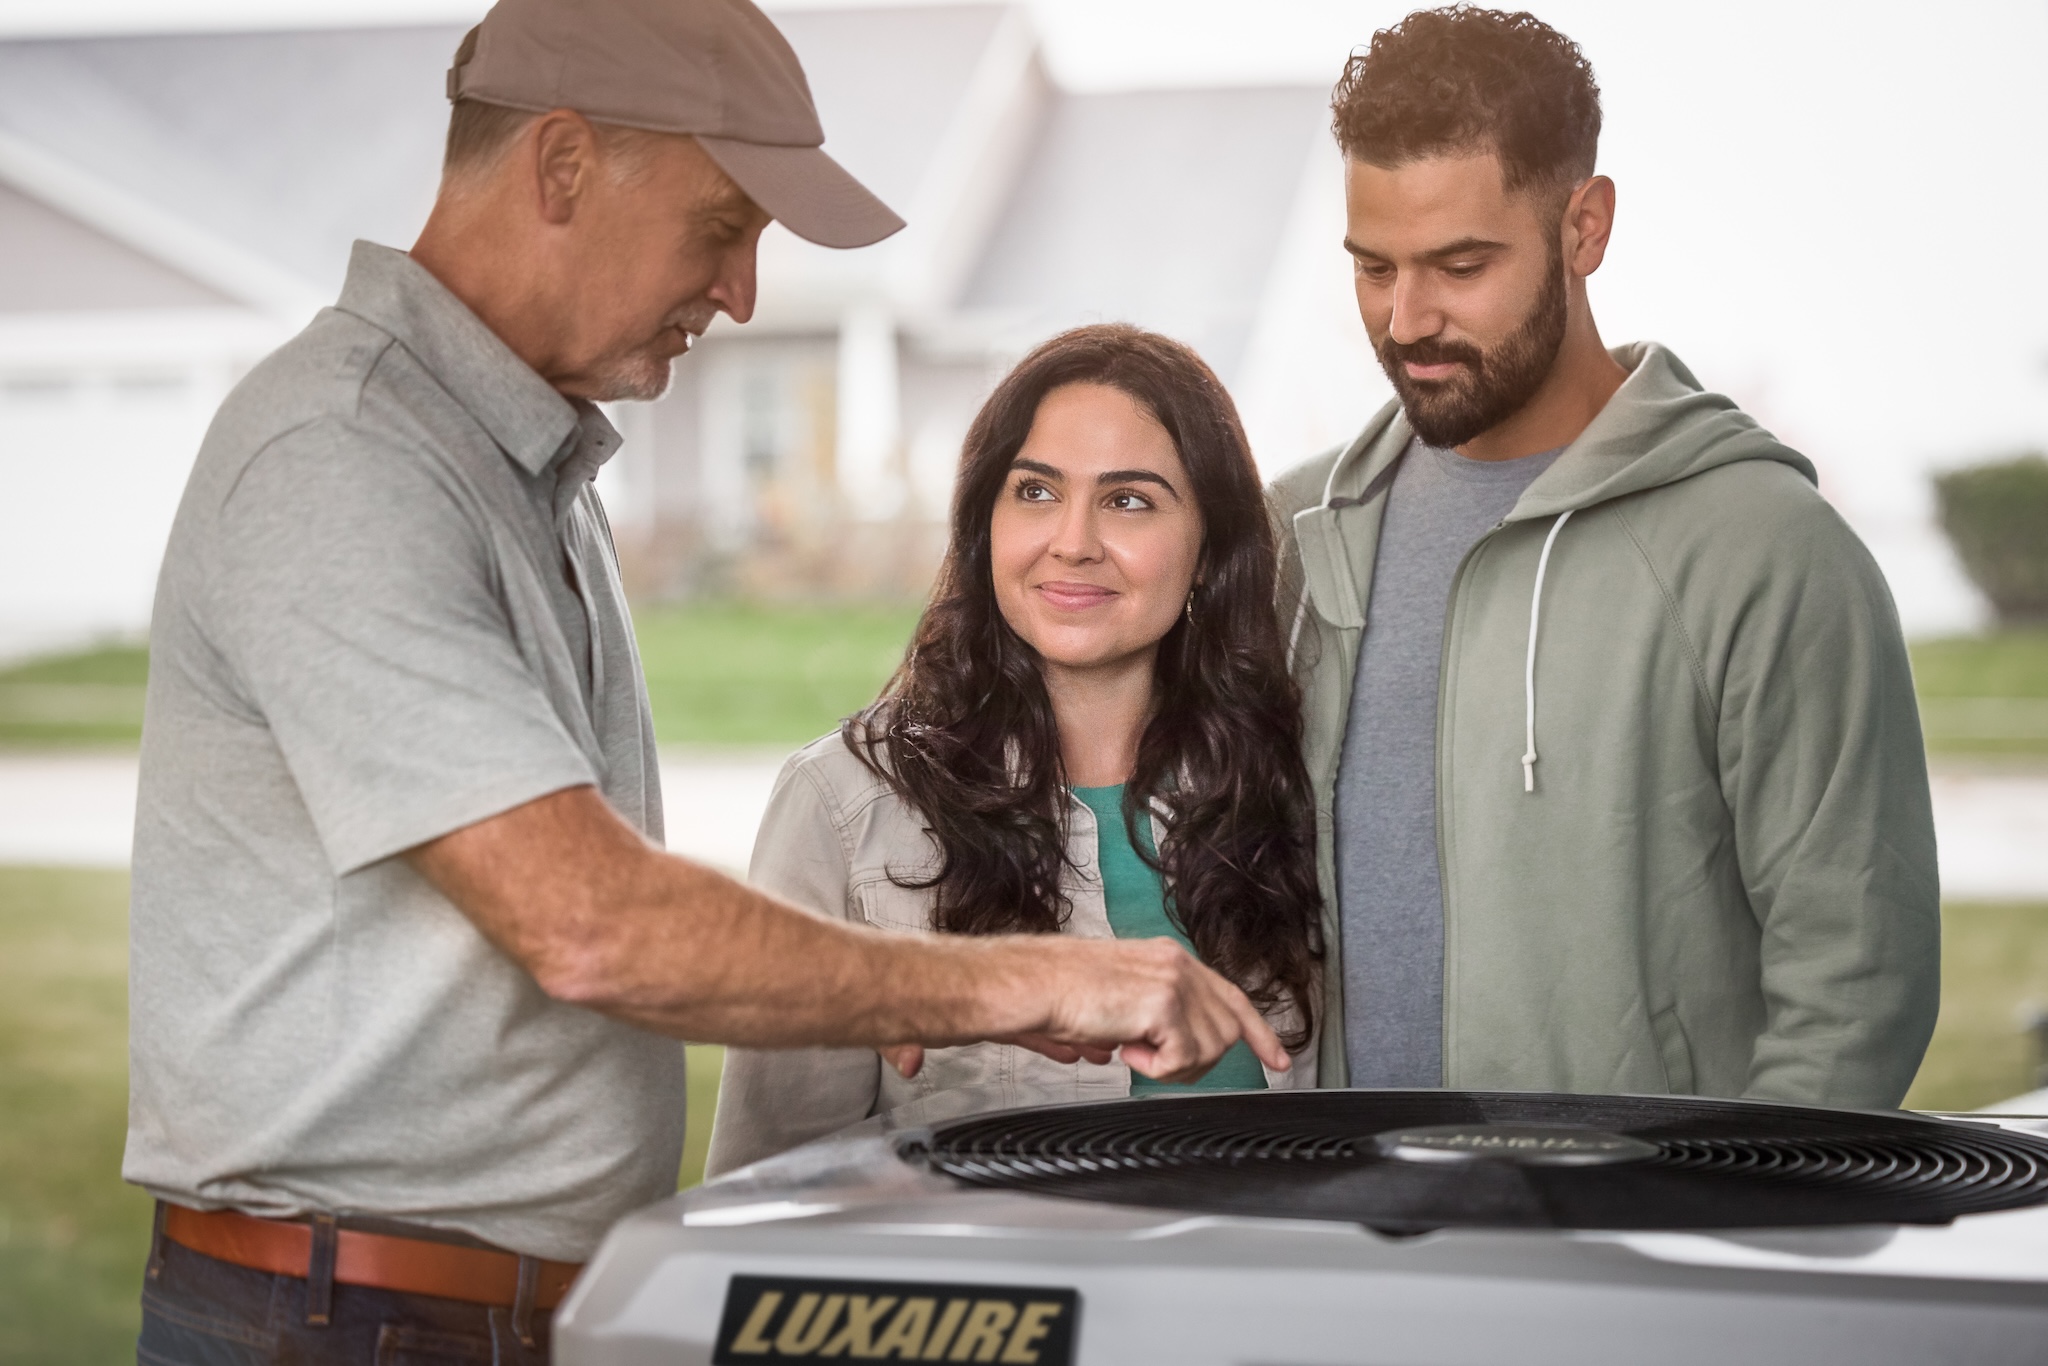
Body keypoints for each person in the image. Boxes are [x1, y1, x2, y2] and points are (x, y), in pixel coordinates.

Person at [124, 4, 1282, 1361]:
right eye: (721, 224)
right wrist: (1026, 984)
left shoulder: (532, 479)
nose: (739, 291)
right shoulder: (343, 455)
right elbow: (593, 922)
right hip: (340, 1319)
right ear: (561, 166)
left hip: (470, 1312)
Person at [1272, 7, 1939, 1103]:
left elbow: (1854, 982)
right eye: (1371, 268)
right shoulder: (1299, 533)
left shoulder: (1763, 551)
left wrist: (1714, 1242)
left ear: (1583, 227)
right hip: (1349, 1246)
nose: (1404, 319)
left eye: (1459, 264)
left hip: (1638, 1256)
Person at [707, 325, 1325, 1175]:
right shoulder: (843, 808)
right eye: (1035, 492)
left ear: (1211, 550)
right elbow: (766, 1189)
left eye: (1129, 500)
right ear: (982, 524)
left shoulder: (1297, 788)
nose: (1072, 541)